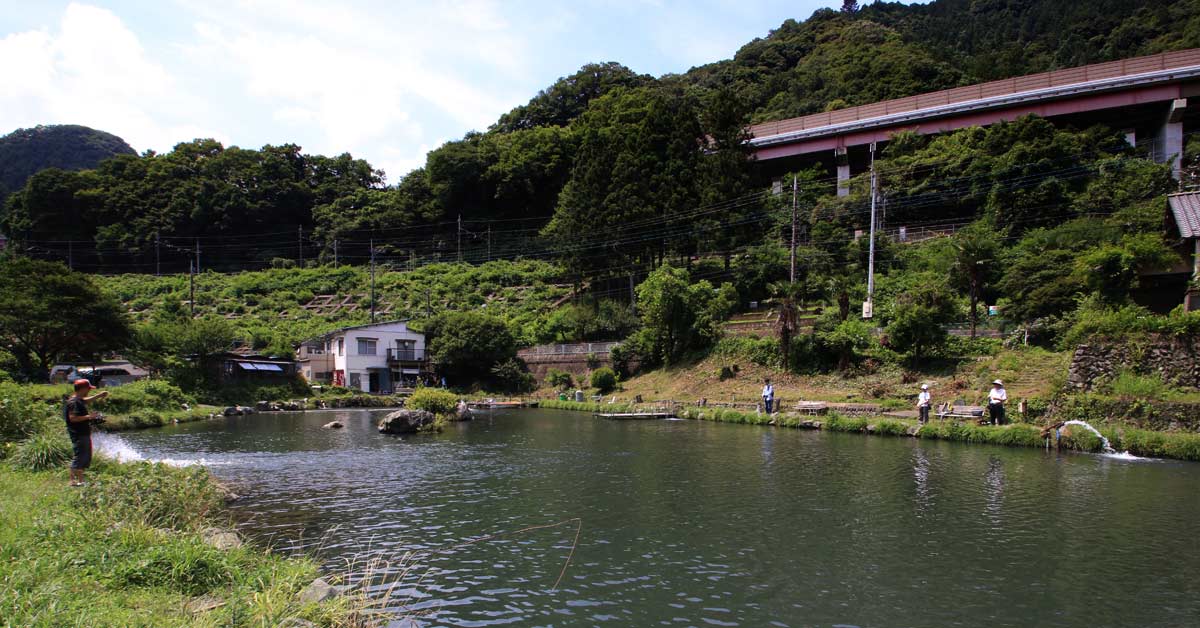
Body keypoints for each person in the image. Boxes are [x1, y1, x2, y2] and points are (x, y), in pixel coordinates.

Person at [63, 378, 108, 487]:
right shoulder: (74, 402)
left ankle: (81, 481)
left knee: (84, 457)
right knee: (79, 456)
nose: (89, 391)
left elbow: (86, 400)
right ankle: (72, 482)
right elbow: (73, 418)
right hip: (78, 434)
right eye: (88, 389)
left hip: (83, 433)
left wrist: (99, 395)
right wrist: (90, 416)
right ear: (83, 389)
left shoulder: (78, 400)